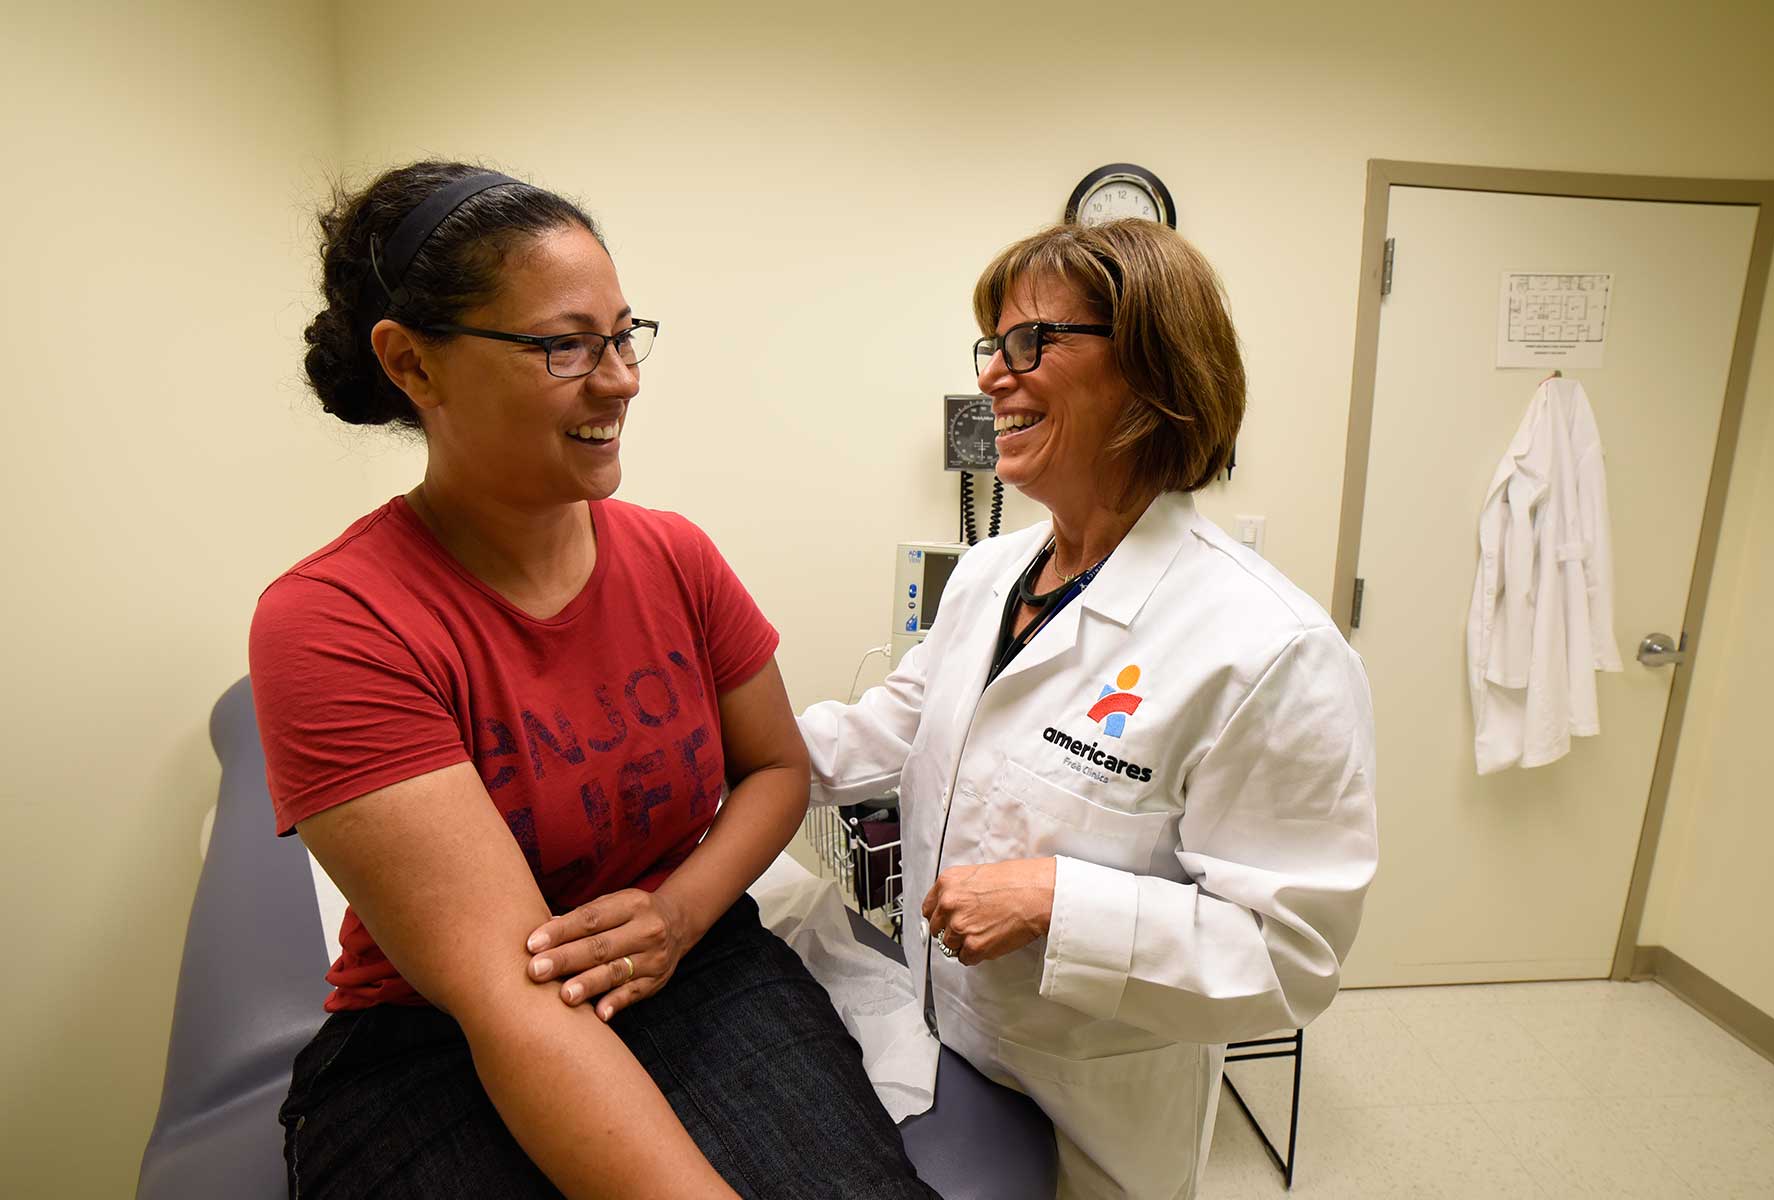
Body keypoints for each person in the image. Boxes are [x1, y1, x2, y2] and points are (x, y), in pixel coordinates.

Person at [250, 161, 936, 1199]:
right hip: (436, 1038)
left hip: (695, 970)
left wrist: (679, 917)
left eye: (624, 335)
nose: (620, 379)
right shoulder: (338, 623)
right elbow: (510, 997)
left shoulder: (675, 558)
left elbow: (775, 772)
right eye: (564, 345)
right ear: (412, 366)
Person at [799, 219, 1378, 1197]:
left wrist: (1059, 904)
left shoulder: (1267, 648)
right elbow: (891, 725)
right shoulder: (989, 574)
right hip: (940, 1051)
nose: (992, 377)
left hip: (1096, 1110)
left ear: (1152, 367)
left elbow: (1292, 959)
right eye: (991, 346)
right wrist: (706, 743)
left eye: (1032, 343)